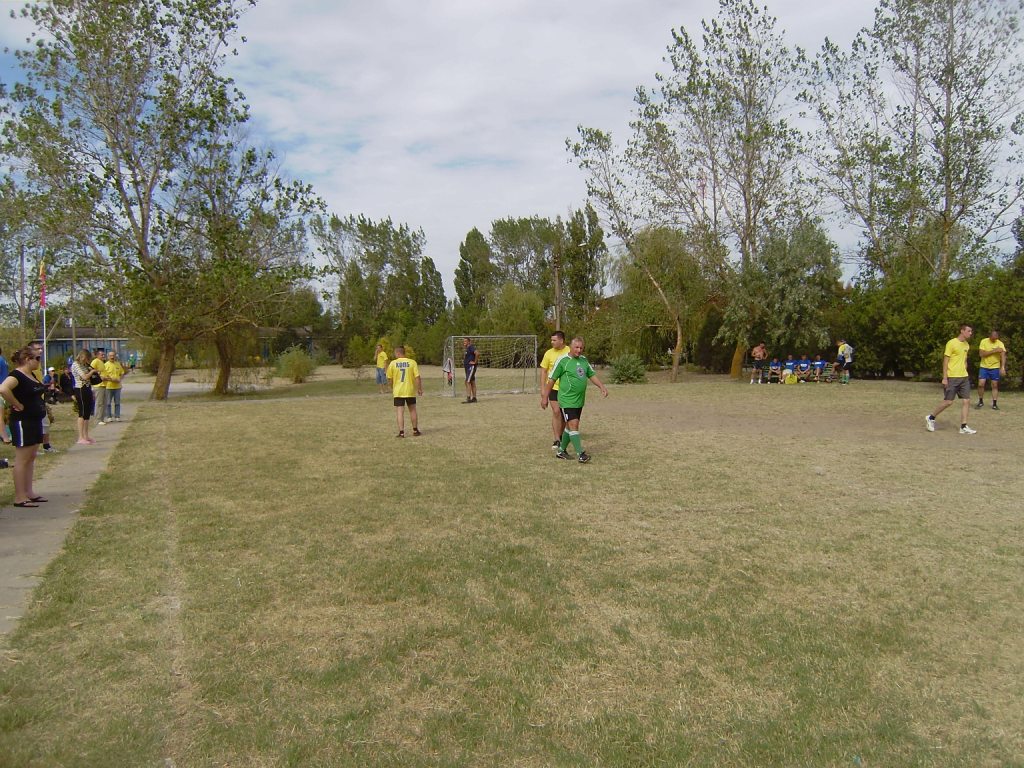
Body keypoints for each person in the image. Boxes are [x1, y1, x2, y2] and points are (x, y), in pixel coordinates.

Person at [540, 336, 609, 463]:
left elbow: (591, 375)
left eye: (581, 348)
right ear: (570, 347)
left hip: (579, 400)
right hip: (567, 400)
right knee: (574, 425)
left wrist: (601, 386)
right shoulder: (563, 361)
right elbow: (551, 380)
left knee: (569, 426)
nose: (579, 350)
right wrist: (545, 397)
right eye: (576, 347)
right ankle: (581, 454)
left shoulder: (583, 360)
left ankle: (561, 451)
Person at [0, 346, 48, 507]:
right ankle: (19, 497)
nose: (39, 361)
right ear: (28, 359)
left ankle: (29, 492)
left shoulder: (31, 374)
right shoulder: (16, 375)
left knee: (31, 457)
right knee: (22, 459)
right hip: (23, 421)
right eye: (37, 358)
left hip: (35, 419)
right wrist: (16, 403)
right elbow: (3, 388)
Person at [926, 324, 976, 434]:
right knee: (948, 402)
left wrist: (965, 370)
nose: (970, 333)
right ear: (962, 331)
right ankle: (931, 417)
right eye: (968, 331)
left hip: (964, 377)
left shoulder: (966, 345)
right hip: (952, 377)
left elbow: (964, 360)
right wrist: (945, 378)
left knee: (966, 400)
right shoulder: (951, 343)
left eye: (971, 331)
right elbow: (945, 361)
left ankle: (963, 426)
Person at [539, 330, 572, 449]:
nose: (552, 342)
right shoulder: (548, 353)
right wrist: (543, 390)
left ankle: (561, 435)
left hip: (566, 389)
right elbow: (543, 371)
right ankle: (557, 439)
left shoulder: (569, 351)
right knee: (556, 411)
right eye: (551, 340)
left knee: (564, 415)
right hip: (553, 387)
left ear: (561, 341)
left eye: (554, 340)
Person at [386, 345, 423, 437]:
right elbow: (417, 377)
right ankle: (415, 430)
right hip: (410, 390)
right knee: (412, 410)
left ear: (398, 353)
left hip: (398, 391)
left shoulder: (393, 363)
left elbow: (390, 378)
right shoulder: (412, 362)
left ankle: (401, 432)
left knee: (400, 411)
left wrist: (391, 387)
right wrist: (419, 388)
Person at [976, 330, 1007, 410]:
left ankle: (994, 404)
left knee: (994, 385)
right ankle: (980, 401)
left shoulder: (1000, 343)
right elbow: (981, 354)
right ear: (990, 336)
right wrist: (994, 351)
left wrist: (1002, 367)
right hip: (984, 366)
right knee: (981, 384)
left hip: (995, 367)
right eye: (993, 338)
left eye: (996, 338)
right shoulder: (984, 341)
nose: (994, 340)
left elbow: (1003, 356)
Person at [71, 349, 97, 445]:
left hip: (87, 388)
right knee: (82, 413)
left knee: (87, 413)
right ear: (83, 357)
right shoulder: (76, 364)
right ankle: (80, 437)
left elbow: (90, 379)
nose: (87, 360)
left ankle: (86, 436)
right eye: (87, 358)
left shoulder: (85, 365)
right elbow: (84, 377)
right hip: (80, 389)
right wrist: (92, 372)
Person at [103, 351, 126, 421]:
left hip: (117, 387)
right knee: (108, 403)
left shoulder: (118, 364)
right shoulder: (105, 365)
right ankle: (109, 417)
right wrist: (112, 379)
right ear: (108, 357)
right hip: (108, 387)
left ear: (115, 356)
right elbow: (103, 376)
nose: (112, 357)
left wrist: (120, 379)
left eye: (113, 355)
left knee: (117, 403)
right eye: (110, 356)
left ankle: (117, 416)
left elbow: (122, 373)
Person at [91, 349, 109, 425]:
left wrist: (107, 377)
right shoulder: (95, 361)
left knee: (103, 403)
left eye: (104, 355)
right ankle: (98, 419)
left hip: (104, 384)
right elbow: (91, 372)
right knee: (99, 403)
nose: (103, 356)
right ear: (97, 355)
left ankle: (102, 418)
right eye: (102, 355)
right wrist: (100, 377)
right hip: (98, 385)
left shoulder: (102, 362)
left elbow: (102, 372)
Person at [462, 336, 478, 403]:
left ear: (469, 342)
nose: (464, 342)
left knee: (467, 382)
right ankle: (474, 398)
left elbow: (477, 353)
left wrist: (475, 362)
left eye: (465, 341)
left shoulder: (471, 347)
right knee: (472, 382)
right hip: (468, 368)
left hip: (471, 367)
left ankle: (468, 398)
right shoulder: (467, 348)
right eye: (464, 341)